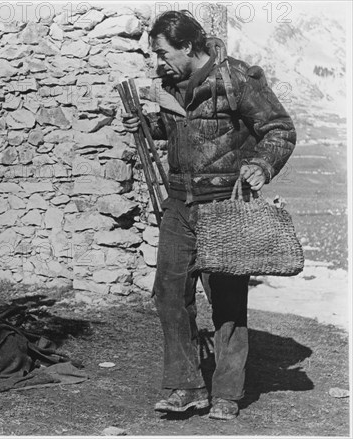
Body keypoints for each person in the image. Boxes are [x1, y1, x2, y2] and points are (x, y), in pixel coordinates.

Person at [122, 10, 296, 420]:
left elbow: (279, 128)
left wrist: (263, 164)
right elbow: (180, 128)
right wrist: (146, 123)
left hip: (224, 205)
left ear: (187, 46)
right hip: (180, 203)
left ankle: (227, 392)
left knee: (228, 300)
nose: (158, 62)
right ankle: (185, 386)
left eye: (163, 53)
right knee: (169, 293)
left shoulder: (236, 78)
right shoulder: (172, 83)